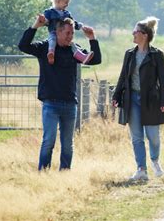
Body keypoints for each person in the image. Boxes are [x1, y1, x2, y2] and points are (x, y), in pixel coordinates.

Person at [18, 15, 102, 171]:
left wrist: (92, 38)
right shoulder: (45, 48)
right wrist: (35, 26)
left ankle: (65, 172)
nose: (70, 37)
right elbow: (23, 46)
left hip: (70, 104)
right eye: (67, 33)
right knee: (48, 140)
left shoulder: (74, 50)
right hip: (50, 103)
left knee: (68, 144)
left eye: (72, 33)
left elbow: (95, 60)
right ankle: (43, 172)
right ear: (57, 32)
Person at [112, 17, 164, 181]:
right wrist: (116, 95)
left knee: (153, 137)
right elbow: (123, 76)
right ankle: (141, 169)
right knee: (136, 137)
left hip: (151, 100)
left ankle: (155, 160)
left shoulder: (157, 55)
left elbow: (163, 80)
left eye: (135, 31)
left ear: (144, 35)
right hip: (132, 99)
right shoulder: (129, 54)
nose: (133, 34)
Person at [45, 0, 93, 65]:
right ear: (57, 1)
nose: (67, 5)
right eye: (66, 2)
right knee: (52, 40)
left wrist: (80, 26)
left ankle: (82, 57)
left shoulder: (67, 13)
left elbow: (72, 22)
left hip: (64, 35)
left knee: (72, 44)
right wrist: (43, 21)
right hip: (54, 32)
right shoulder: (49, 12)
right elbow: (46, 21)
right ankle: (51, 53)